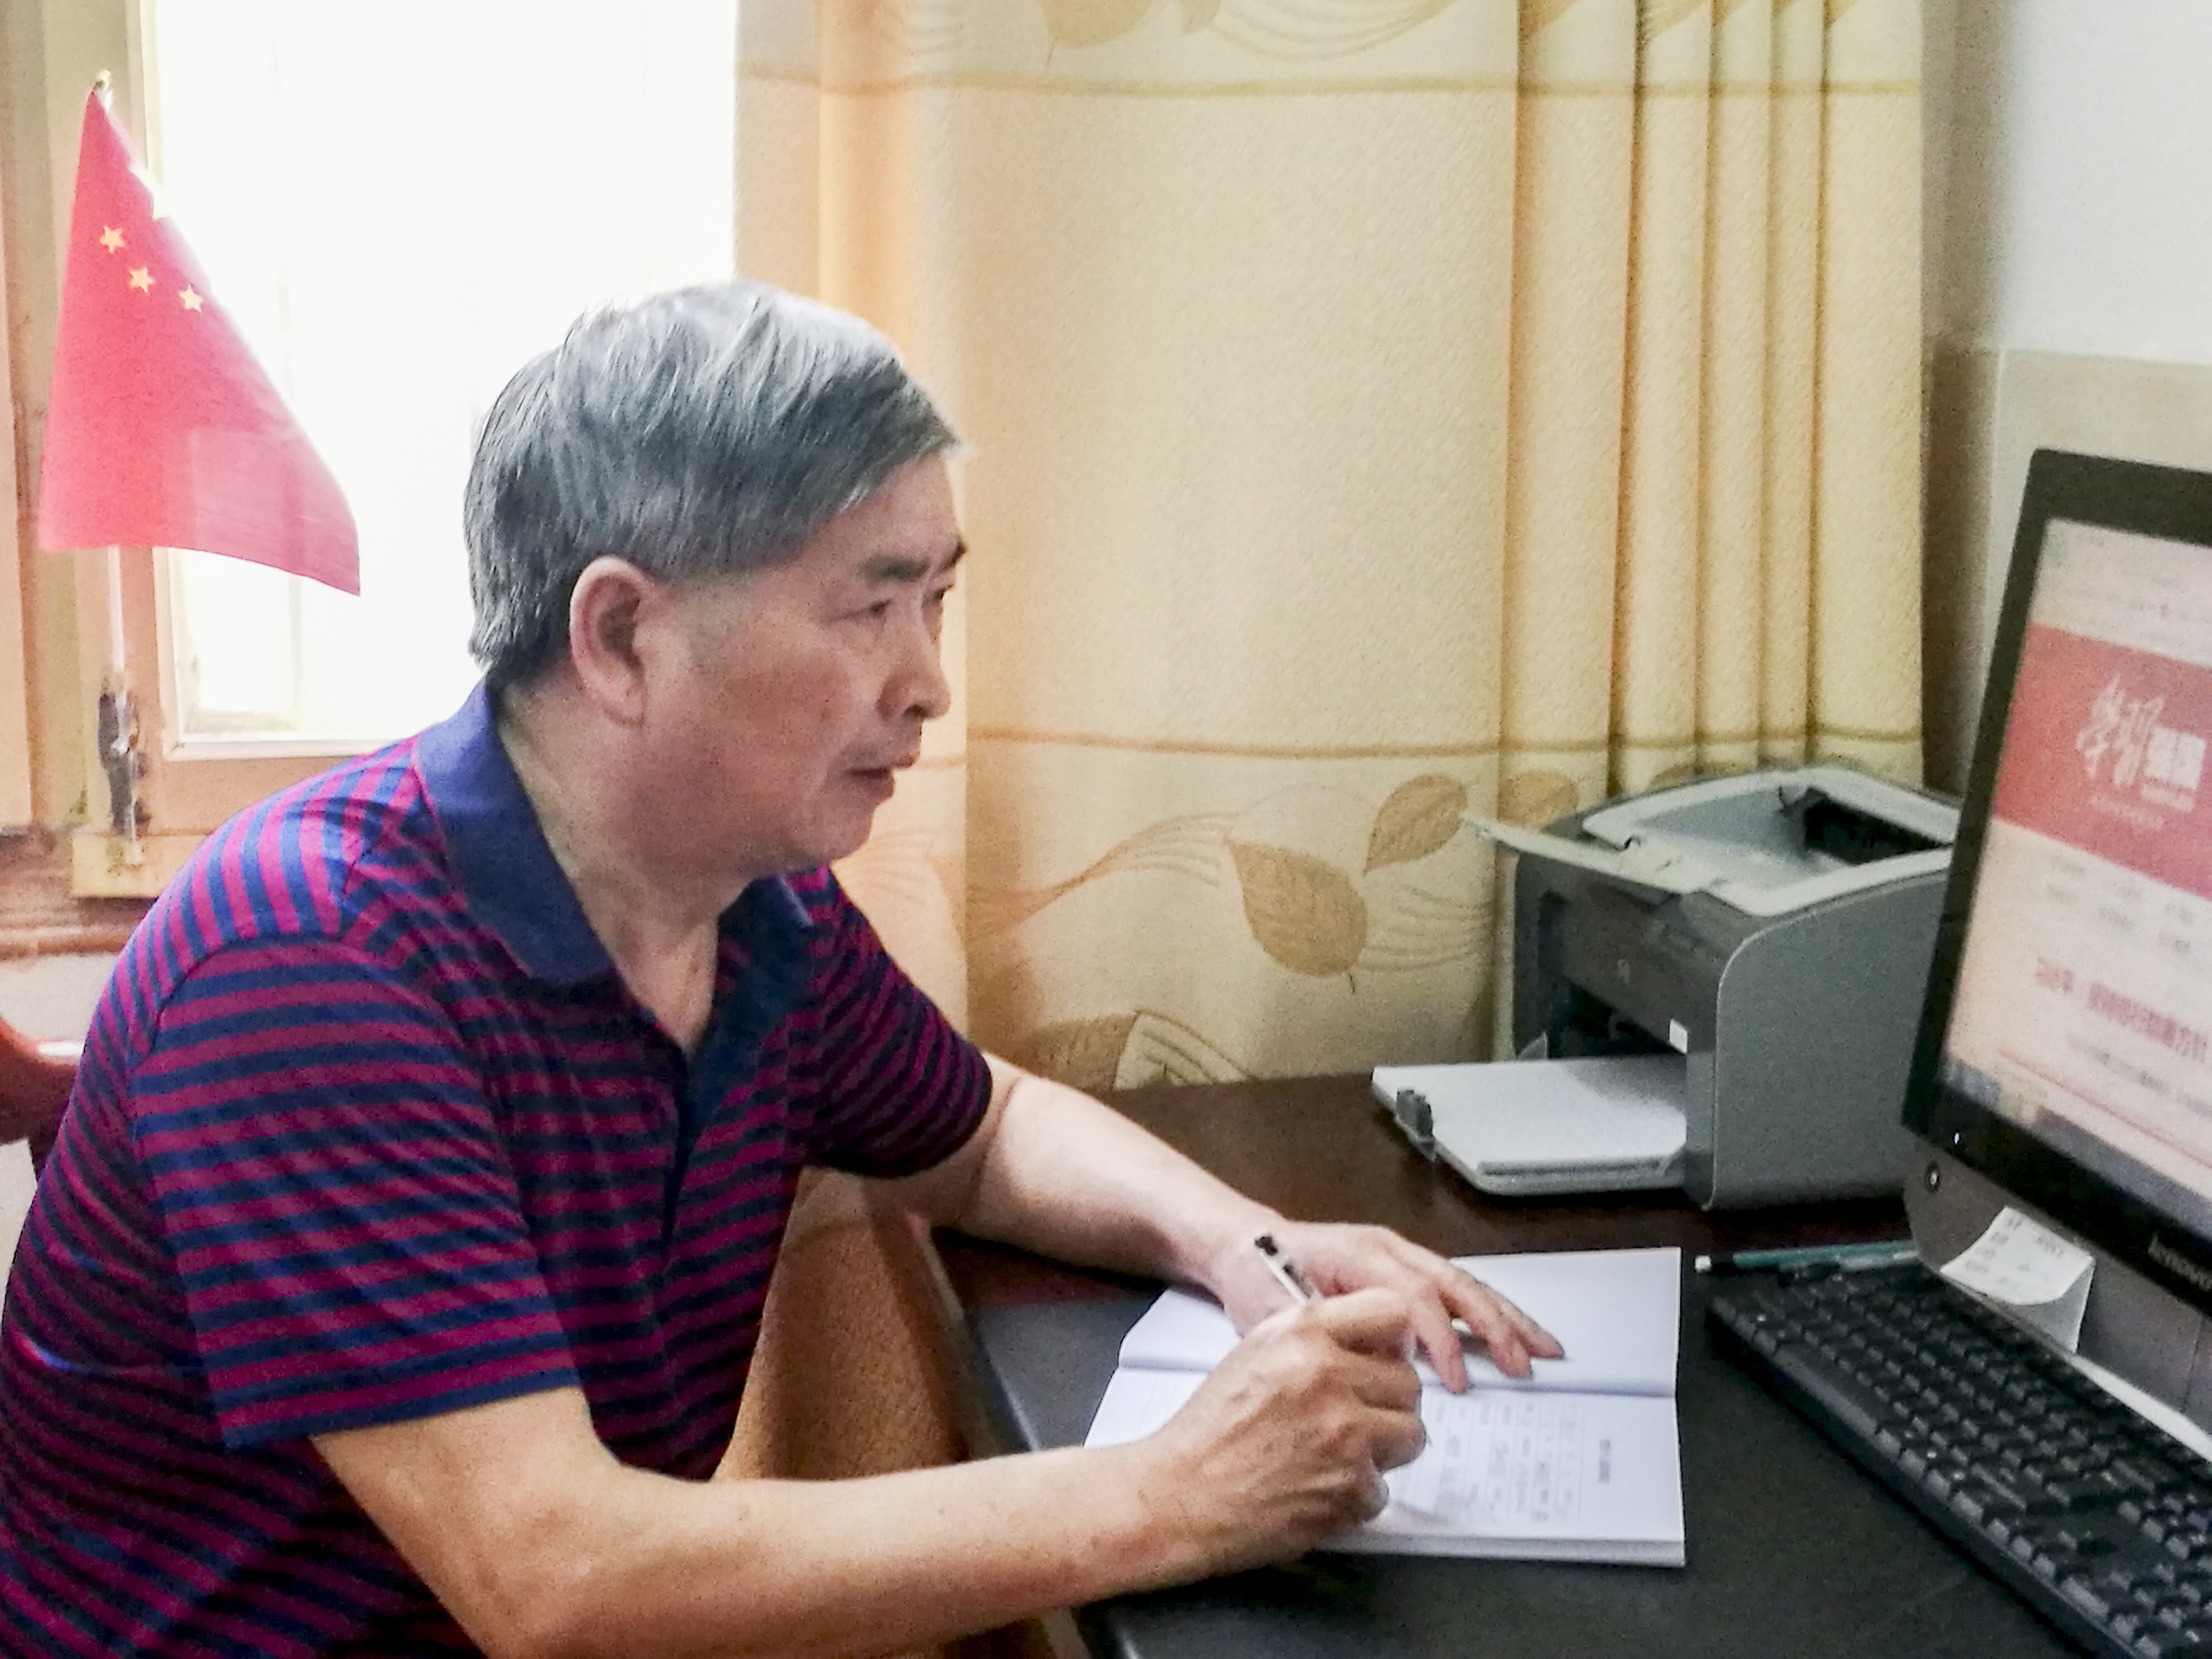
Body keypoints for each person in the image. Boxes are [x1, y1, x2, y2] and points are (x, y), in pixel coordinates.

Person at [0, 281, 1559, 1658]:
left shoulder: (758, 906)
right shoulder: (308, 962)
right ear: (621, 637)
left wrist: (1251, 1246)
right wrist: (1176, 1490)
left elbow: (984, 1132)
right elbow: (555, 1577)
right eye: (872, 607)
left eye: (937, 600)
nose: (929, 683)